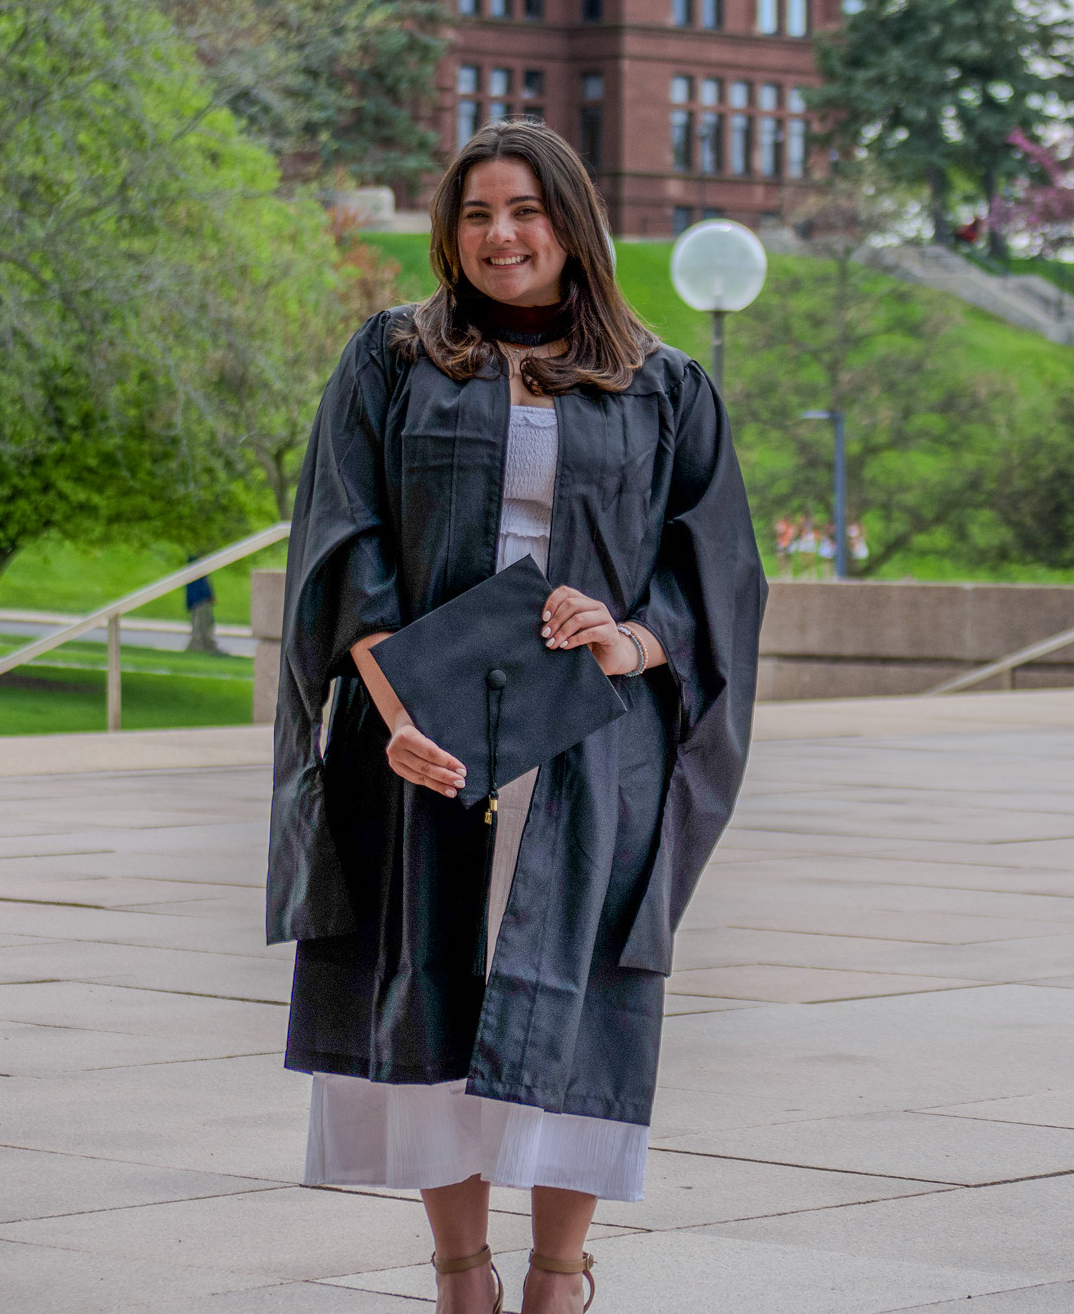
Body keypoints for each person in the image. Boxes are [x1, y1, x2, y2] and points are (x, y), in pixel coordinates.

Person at [268, 121, 763, 1313]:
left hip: (590, 739)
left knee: (573, 994)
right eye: (479, 212)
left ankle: (557, 1276)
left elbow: (718, 577)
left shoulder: (662, 382)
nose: (502, 235)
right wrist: (394, 712)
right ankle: (458, 1273)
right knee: (432, 974)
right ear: (451, 228)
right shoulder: (391, 360)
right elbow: (345, 549)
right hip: (421, 730)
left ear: (572, 223)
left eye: (527, 210)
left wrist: (628, 636)